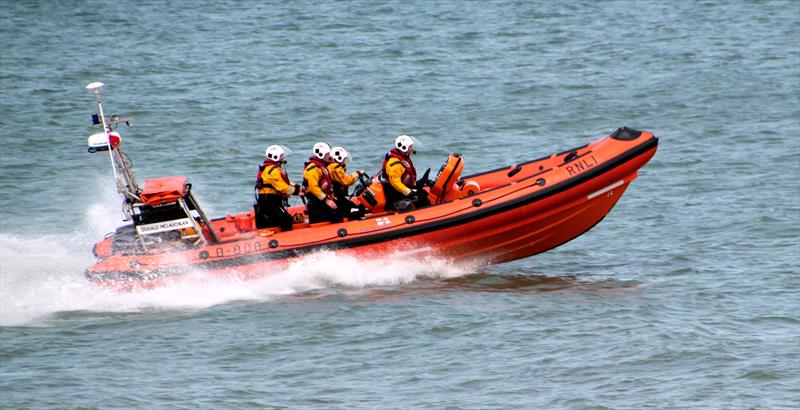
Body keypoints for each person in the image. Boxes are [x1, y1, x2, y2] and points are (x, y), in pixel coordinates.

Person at [255, 145, 301, 231]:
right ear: (275, 157)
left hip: (271, 200)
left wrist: (297, 186)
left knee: (284, 218)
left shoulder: (270, 168)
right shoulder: (273, 170)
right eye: (281, 156)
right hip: (269, 200)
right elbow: (282, 187)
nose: (283, 157)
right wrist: (296, 192)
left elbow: (284, 182)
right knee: (286, 220)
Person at [380, 134, 430, 211]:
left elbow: (405, 178)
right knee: (422, 200)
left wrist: (418, 183)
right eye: (410, 146)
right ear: (404, 148)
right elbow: (396, 183)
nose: (412, 148)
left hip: (401, 190)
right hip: (395, 194)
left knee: (423, 193)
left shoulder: (403, 158)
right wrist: (410, 192)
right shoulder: (395, 164)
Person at [303, 142, 342, 224]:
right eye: (327, 154)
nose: (329, 156)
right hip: (316, 201)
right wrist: (326, 200)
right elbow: (313, 187)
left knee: (338, 210)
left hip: (320, 200)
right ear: (321, 155)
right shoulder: (312, 168)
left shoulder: (321, 166)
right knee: (335, 215)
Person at [328, 146, 366, 220]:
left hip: (337, 197)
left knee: (353, 206)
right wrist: (357, 174)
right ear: (339, 158)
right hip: (336, 199)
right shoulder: (336, 167)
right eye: (344, 159)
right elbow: (346, 181)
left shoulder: (330, 166)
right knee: (357, 211)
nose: (345, 162)